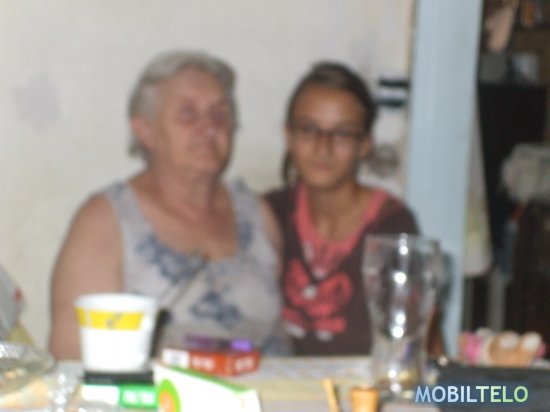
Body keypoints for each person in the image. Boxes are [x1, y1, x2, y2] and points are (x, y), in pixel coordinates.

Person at [49, 50, 289, 359]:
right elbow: (72, 356)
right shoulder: (105, 222)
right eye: (187, 114)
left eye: (220, 114)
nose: (209, 127)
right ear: (146, 131)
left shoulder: (256, 214)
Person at [265, 62, 443, 356]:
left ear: (365, 145)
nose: (323, 147)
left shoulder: (392, 227)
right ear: (289, 136)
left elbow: (422, 342)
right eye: (308, 129)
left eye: (342, 133)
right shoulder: (269, 214)